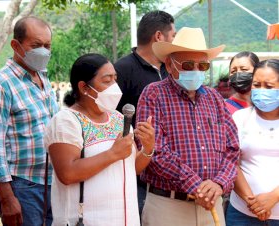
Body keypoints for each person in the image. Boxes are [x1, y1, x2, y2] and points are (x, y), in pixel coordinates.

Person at [137, 27, 240, 226]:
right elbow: (155, 151)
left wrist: (219, 183)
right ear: (169, 63)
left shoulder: (214, 98)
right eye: (188, 64)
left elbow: (233, 148)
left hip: (212, 203)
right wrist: (196, 185)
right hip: (168, 206)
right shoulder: (153, 94)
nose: (196, 70)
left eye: (203, 66)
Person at [44, 53, 155, 225]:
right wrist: (112, 154)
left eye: (115, 79)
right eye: (106, 80)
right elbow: (67, 173)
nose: (114, 87)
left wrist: (147, 149)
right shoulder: (66, 121)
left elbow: (130, 168)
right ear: (84, 87)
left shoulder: (119, 119)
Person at [0, 16, 58, 226]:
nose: (44, 51)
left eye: (47, 45)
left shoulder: (43, 78)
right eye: (36, 45)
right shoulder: (0, 84)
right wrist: (7, 198)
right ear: (16, 45)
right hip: (21, 185)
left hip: (51, 182)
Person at [115, 10, 176, 215]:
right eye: (173, 37)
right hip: (137, 174)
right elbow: (110, 119)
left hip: (171, 172)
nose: (174, 43)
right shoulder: (122, 70)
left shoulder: (171, 70)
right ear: (159, 37)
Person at [226, 59, 279, 226]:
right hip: (242, 213)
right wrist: (253, 202)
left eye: (269, 87)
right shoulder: (240, 118)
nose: (262, 91)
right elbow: (230, 162)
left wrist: (273, 197)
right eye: (256, 85)